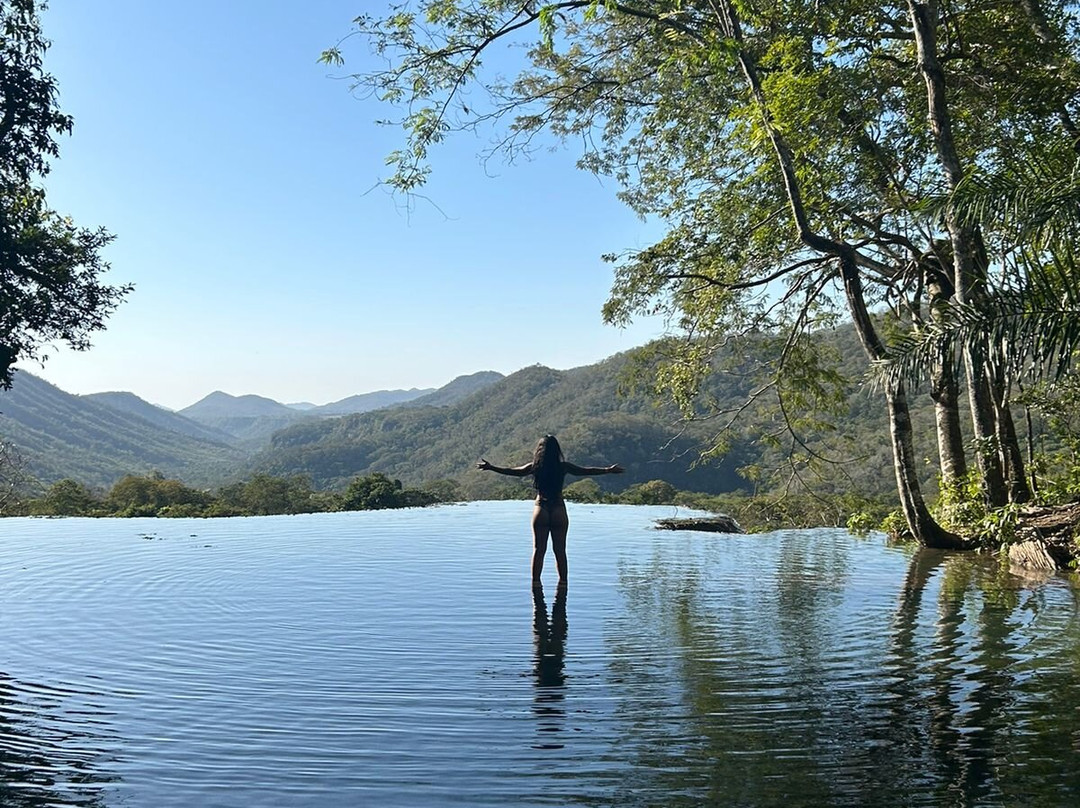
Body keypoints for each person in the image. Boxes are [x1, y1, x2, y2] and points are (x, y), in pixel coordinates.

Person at [476, 435, 623, 587]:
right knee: (560, 551)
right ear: (557, 450)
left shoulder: (534, 467)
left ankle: (535, 585)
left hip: (541, 508)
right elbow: (586, 471)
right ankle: (563, 584)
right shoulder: (563, 466)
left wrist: (491, 467)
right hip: (558, 508)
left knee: (539, 550)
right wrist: (608, 470)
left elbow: (513, 471)